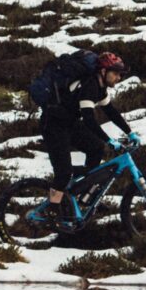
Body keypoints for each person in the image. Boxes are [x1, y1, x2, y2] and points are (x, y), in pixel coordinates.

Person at [33, 48, 130, 215]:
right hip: (53, 125)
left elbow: (111, 111)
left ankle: (85, 195)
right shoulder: (90, 86)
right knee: (63, 174)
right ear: (104, 71)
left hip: (69, 122)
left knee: (96, 148)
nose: (118, 78)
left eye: (120, 75)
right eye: (115, 74)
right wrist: (109, 141)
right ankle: (52, 211)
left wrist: (130, 132)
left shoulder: (100, 88)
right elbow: (89, 119)